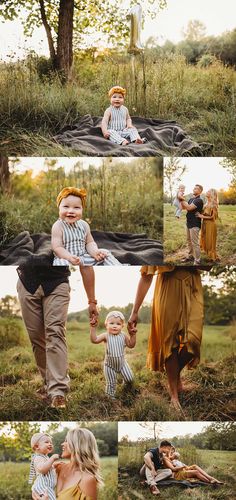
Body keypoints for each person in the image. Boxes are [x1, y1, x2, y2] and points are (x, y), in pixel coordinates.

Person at [17, 263, 98, 409]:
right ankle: (48, 384)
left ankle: (58, 392)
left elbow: (85, 263)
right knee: (36, 337)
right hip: (27, 281)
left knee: (55, 333)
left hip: (57, 282)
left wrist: (92, 301)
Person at [128, 266, 205, 414]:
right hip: (167, 286)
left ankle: (173, 377)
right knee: (170, 344)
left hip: (193, 284)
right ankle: (174, 395)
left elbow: (207, 264)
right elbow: (146, 276)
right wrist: (135, 311)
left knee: (193, 342)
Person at [52, 187, 121, 266]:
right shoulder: (58, 226)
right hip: (66, 258)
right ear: (59, 208)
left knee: (105, 253)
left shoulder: (84, 225)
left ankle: (118, 267)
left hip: (84, 257)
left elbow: (89, 243)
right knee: (61, 264)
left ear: (82, 209)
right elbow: (57, 248)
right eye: (66, 207)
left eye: (76, 207)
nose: (71, 211)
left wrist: (95, 252)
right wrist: (69, 257)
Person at [32, 427, 102, 499]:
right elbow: (41, 482)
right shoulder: (59, 467)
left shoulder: (88, 479)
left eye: (66, 441)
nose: (62, 444)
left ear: (77, 445)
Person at [90, 310, 136, 398]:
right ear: (106, 324)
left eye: (118, 324)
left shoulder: (124, 336)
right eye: (111, 323)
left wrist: (133, 335)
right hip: (109, 366)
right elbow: (94, 340)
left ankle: (125, 388)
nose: (115, 326)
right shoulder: (106, 336)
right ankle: (110, 399)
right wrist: (93, 328)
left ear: (122, 326)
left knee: (130, 379)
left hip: (122, 364)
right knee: (111, 383)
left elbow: (131, 345)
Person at [29, 433, 58, 500]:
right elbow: (43, 469)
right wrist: (52, 458)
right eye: (47, 442)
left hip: (47, 487)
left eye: (51, 442)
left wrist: (54, 464)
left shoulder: (45, 457)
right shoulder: (38, 457)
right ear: (37, 447)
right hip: (43, 486)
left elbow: (47, 466)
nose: (50, 444)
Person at [180, 184, 204, 265]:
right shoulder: (191, 199)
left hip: (195, 223)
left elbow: (189, 208)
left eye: (196, 189)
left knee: (194, 243)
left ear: (200, 191)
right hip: (188, 222)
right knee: (189, 241)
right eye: (194, 188)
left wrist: (181, 198)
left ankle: (197, 260)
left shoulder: (199, 200)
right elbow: (185, 208)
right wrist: (181, 201)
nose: (194, 189)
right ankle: (190, 256)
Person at [196, 188, 219, 261]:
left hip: (211, 224)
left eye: (208, 191)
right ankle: (207, 255)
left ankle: (212, 257)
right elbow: (204, 212)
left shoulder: (214, 204)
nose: (206, 192)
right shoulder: (206, 203)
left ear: (212, 194)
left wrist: (202, 216)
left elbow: (213, 217)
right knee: (204, 238)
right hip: (205, 223)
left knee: (210, 240)